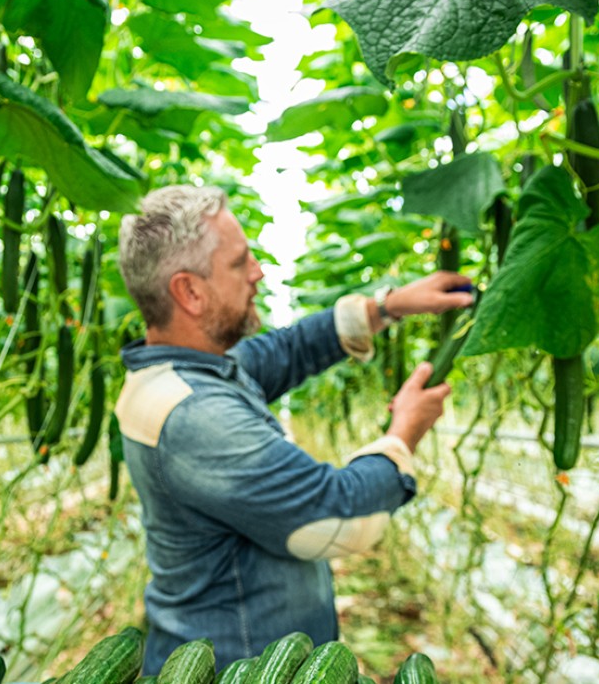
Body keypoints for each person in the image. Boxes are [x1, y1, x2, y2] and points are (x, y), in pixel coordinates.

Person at [114, 185, 474, 673]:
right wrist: (403, 433)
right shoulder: (195, 415)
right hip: (239, 670)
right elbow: (338, 519)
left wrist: (387, 307)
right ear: (190, 292)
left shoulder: (193, 371)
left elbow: (286, 350)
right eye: (241, 263)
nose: (259, 273)